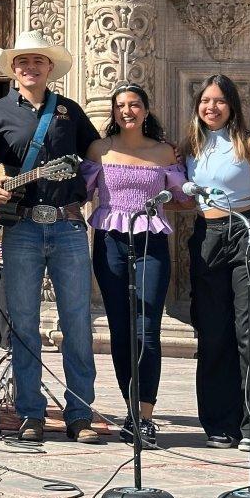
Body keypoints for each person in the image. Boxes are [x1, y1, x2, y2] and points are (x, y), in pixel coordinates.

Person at [0, 30, 101, 444]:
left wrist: (149, 152)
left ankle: (80, 413)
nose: (30, 67)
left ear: (50, 68)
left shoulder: (70, 112)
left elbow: (99, 153)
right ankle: (30, 413)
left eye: (38, 60)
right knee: (23, 324)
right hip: (20, 228)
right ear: (13, 69)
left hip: (68, 226)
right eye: (22, 61)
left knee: (77, 322)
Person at [183, 73, 250, 451]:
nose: (211, 107)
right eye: (205, 101)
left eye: (220, 101)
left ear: (232, 105)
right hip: (207, 236)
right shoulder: (189, 146)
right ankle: (220, 424)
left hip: (247, 232)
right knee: (213, 332)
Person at [81, 83, 187, 449]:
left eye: (135, 104)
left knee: (148, 329)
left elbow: (183, 198)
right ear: (113, 112)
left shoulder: (163, 151)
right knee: (121, 329)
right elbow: (80, 193)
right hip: (110, 241)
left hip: (150, 242)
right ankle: (129, 411)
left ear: (146, 110)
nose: (128, 111)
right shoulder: (99, 149)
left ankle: (145, 416)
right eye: (121, 105)